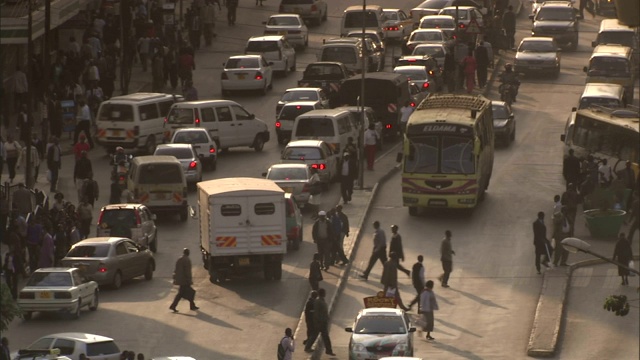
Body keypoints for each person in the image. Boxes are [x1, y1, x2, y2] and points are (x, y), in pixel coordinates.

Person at [304, 288, 335, 355]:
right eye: (324, 292)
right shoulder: (318, 301)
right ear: (322, 293)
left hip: (322, 322)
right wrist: (318, 321)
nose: (325, 294)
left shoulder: (321, 300)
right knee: (316, 336)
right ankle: (307, 347)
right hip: (320, 323)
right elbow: (317, 313)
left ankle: (329, 350)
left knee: (323, 337)